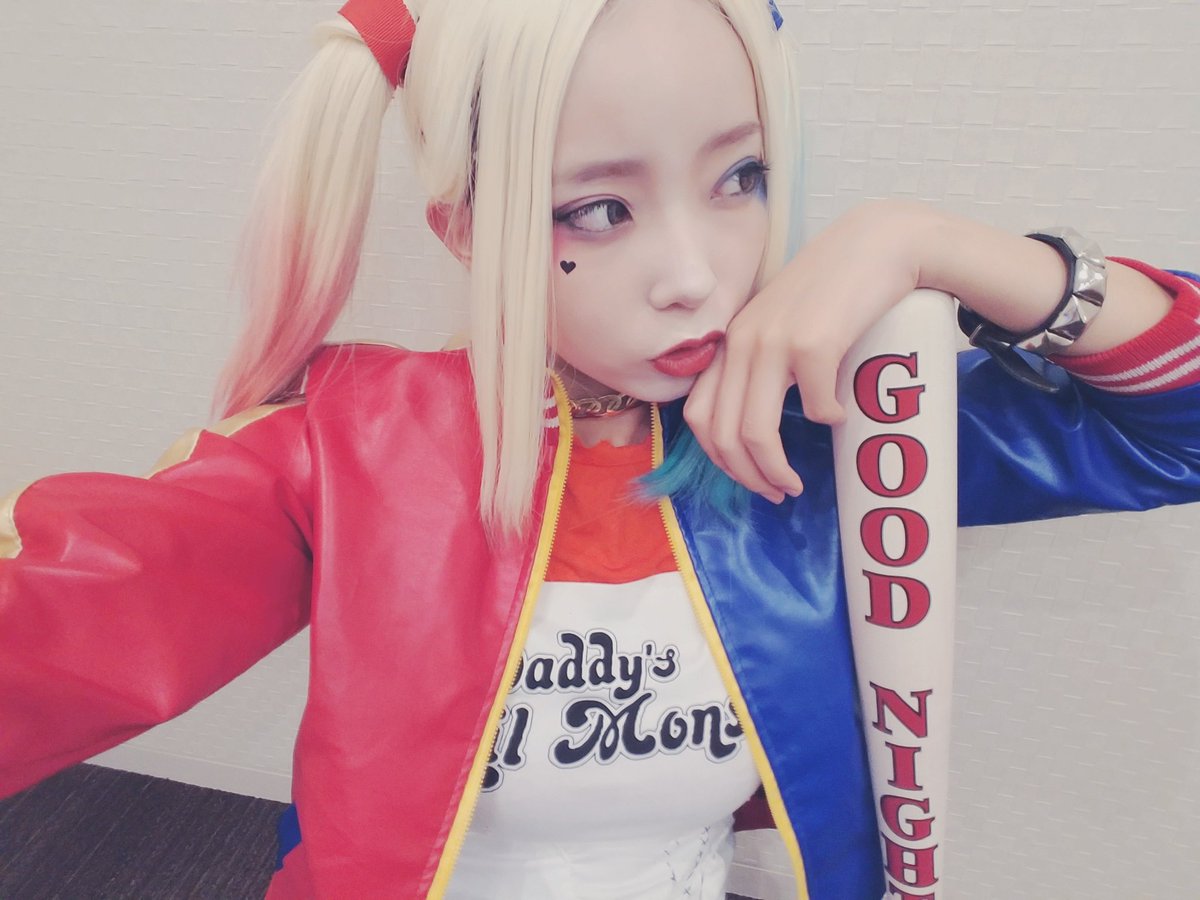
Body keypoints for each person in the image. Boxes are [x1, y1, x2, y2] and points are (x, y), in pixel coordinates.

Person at [2, 0, 1198, 897]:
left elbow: (1172, 432)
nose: (694, 274)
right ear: (470, 230)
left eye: (741, 177)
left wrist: (932, 242)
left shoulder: (823, 428)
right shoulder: (349, 451)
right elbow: (54, 631)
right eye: (599, 208)